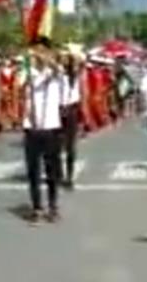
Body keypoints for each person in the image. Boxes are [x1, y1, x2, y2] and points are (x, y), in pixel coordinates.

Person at [22, 49, 64, 225]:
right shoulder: (27, 73)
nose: (39, 58)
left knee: (51, 170)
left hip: (51, 128)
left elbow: (57, 70)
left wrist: (48, 60)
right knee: (33, 172)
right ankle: (37, 207)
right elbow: (23, 84)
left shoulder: (55, 74)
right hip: (31, 128)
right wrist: (32, 62)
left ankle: (53, 206)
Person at [60, 52, 83, 190]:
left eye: (66, 61)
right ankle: (59, 173)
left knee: (70, 146)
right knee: (56, 145)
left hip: (71, 111)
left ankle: (69, 176)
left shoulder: (76, 77)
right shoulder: (57, 76)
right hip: (58, 110)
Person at [0, 56, 22, 133]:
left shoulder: (11, 72)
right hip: (5, 91)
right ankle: (5, 123)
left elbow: (14, 82)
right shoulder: (2, 72)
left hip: (8, 91)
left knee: (8, 107)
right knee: (6, 108)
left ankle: (11, 123)